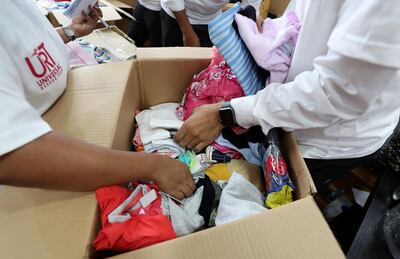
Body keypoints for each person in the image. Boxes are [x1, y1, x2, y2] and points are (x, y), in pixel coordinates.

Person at [174, 0, 400, 192]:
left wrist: (225, 114)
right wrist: (273, 32)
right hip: (286, 106)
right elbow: (313, 16)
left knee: (280, 190)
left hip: (328, 137)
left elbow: (338, 94)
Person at [0, 0, 195, 200]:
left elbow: (24, 48)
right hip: (37, 180)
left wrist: (69, 32)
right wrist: (153, 165)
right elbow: (13, 153)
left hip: (66, 120)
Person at [160, 0, 261, 47]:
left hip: (210, 19)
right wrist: (188, 33)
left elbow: (251, 5)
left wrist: (254, 17)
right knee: (175, 64)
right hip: (176, 15)